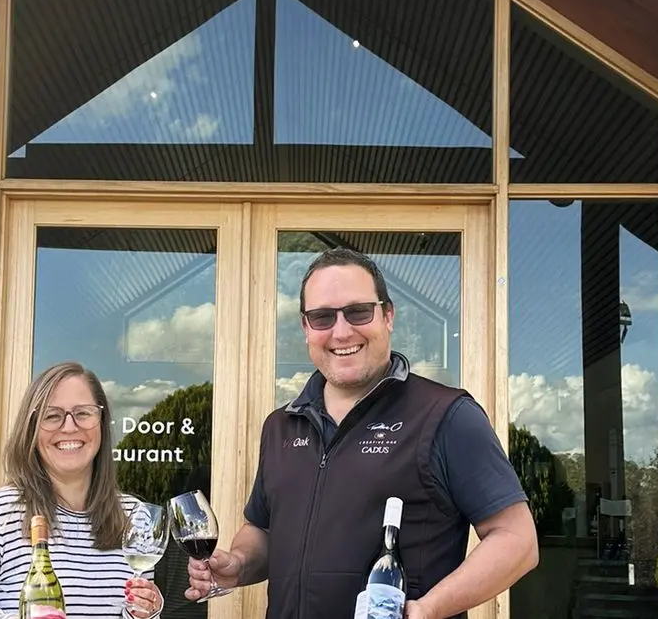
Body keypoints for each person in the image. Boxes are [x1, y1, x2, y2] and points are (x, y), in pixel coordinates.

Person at [185, 247, 538, 619]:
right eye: (322, 317)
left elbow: (517, 541)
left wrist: (427, 610)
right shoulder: (281, 426)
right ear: (306, 327)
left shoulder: (446, 415)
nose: (341, 331)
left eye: (358, 312)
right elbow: (265, 530)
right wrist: (239, 563)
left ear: (388, 315)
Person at [0, 361, 165, 619]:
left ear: (102, 421)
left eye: (83, 413)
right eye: (51, 416)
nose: (69, 427)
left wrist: (142, 612)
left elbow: (134, 612)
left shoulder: (134, 516)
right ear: (31, 429)